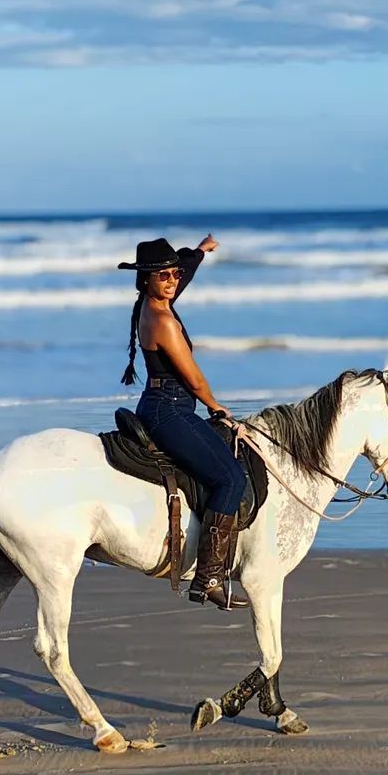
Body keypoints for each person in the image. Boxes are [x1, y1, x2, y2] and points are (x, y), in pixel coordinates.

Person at [117, 234, 248, 611]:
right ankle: (208, 578)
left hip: (158, 403)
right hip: (170, 410)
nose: (173, 280)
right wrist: (217, 408)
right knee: (231, 479)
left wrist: (199, 252)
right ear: (146, 279)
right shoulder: (163, 322)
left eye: (174, 273)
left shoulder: (152, 302)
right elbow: (194, 379)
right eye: (164, 276)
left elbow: (184, 272)